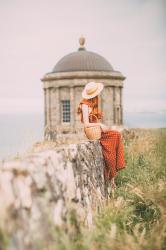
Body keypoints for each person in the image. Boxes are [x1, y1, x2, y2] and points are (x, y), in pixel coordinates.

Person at [77, 82, 126, 190]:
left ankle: (114, 171)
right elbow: (86, 124)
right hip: (92, 131)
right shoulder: (85, 105)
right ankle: (112, 175)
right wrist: (99, 124)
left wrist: (101, 125)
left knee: (117, 136)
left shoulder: (93, 103)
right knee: (114, 138)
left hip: (97, 130)